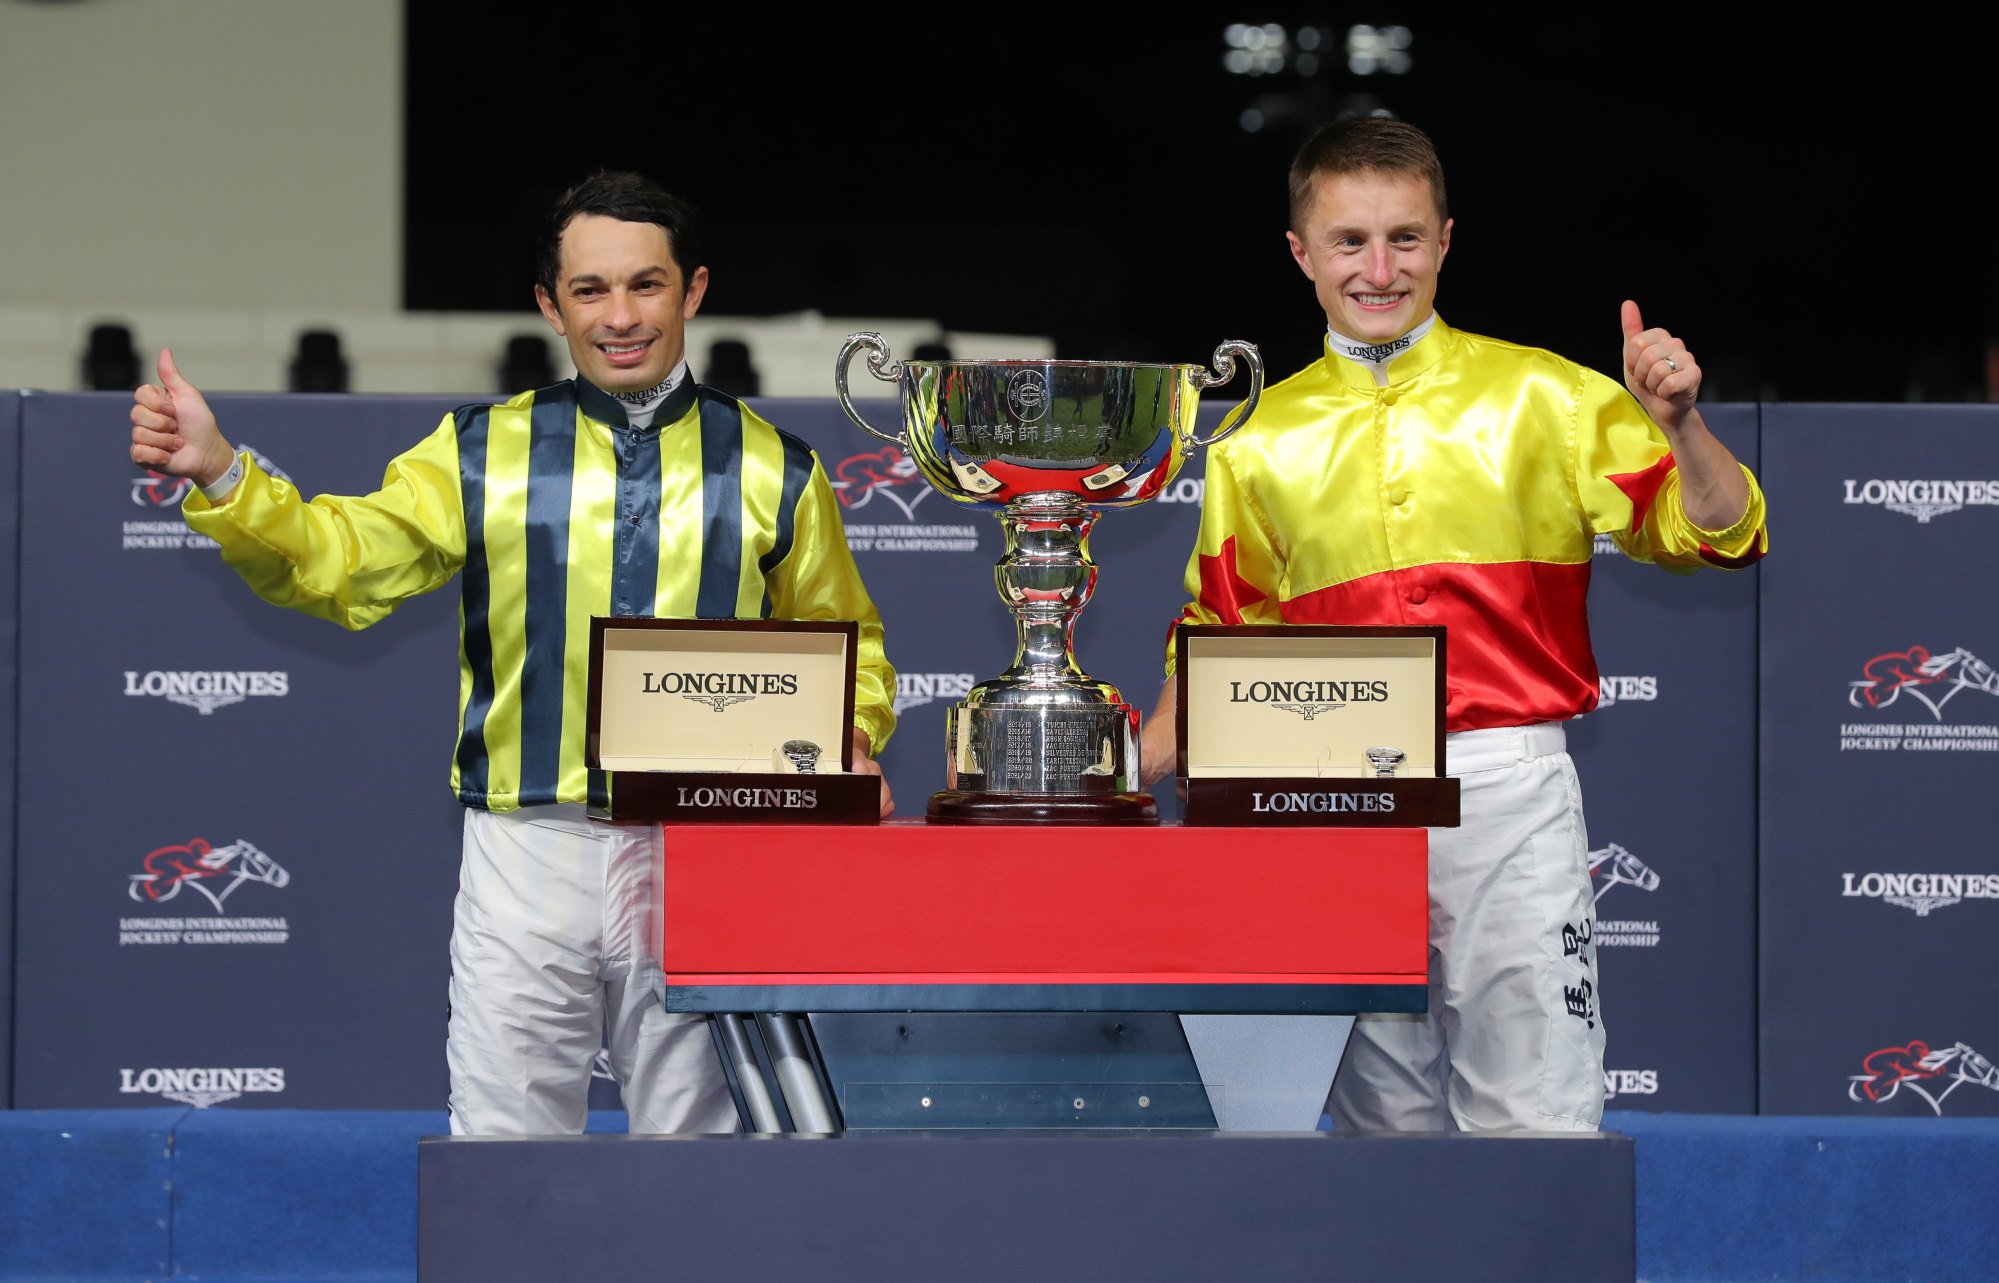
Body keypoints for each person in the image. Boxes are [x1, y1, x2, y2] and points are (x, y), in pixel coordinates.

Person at [127, 172, 898, 1136]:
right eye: (589, 290)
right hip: (529, 852)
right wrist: (224, 472)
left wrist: (852, 735)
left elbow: (847, 645)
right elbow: (341, 562)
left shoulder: (779, 469)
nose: (621, 316)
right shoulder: (479, 448)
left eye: (646, 285)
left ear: (692, 291)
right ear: (549, 305)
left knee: (701, 1155)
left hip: (708, 854)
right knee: (504, 1148)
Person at [1138, 117, 1767, 1133]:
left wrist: (1682, 424)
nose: (1379, 269)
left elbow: (1723, 533)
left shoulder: (1551, 396)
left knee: (1535, 1120)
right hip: (1326, 800)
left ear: (1445, 241)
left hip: (1504, 790)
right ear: (1301, 253)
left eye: (1405, 239)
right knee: (1382, 1134)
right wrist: (1117, 770)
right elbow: (1217, 632)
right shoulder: (1254, 440)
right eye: (1349, 242)